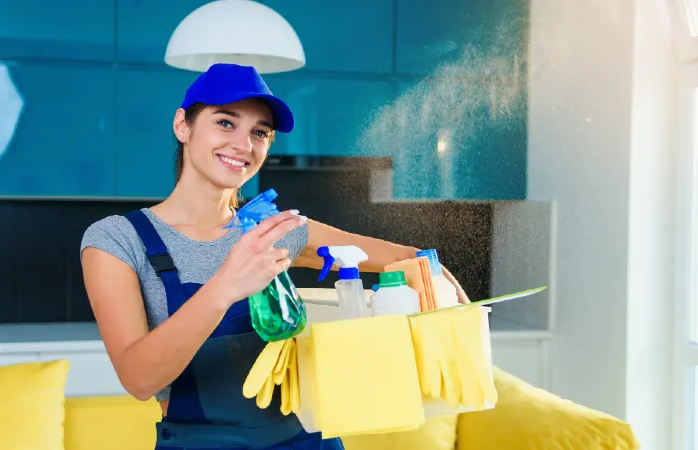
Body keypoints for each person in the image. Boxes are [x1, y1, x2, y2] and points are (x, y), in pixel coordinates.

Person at [80, 63, 470, 450]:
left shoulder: (278, 230)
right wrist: (226, 285)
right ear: (183, 125)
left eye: (260, 133)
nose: (243, 145)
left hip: (305, 441)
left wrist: (455, 317)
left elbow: (409, 258)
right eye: (225, 123)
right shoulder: (118, 239)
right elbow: (139, 380)